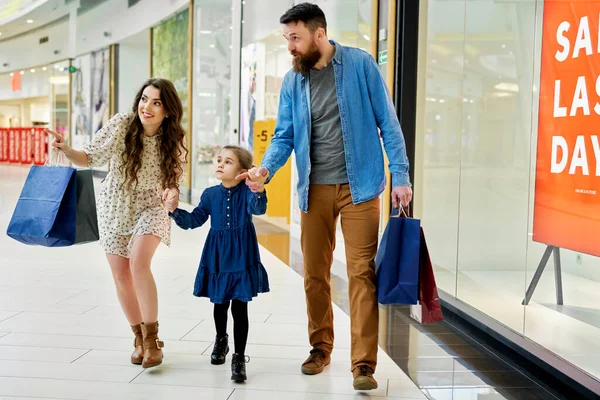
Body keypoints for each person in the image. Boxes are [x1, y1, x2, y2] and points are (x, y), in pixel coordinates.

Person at [238, 2, 413, 391]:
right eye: (287, 38)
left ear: (320, 34)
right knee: (315, 274)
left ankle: (364, 364)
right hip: (313, 189)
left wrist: (399, 174)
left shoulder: (360, 65)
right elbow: (284, 135)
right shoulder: (292, 81)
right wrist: (266, 170)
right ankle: (320, 347)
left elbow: (388, 121)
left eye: (296, 38)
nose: (290, 47)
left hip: (361, 187)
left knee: (360, 274)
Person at [46, 78, 187, 369]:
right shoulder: (122, 123)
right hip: (114, 203)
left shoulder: (174, 137)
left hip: (150, 205)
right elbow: (91, 156)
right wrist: (67, 149)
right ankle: (138, 338)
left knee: (138, 263)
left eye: (156, 102)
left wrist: (171, 195)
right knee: (121, 274)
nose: (147, 107)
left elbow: (174, 180)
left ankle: (152, 340)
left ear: (168, 111)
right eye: (144, 99)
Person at [165, 145, 270, 382]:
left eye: (228, 162)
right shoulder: (210, 194)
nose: (220, 165)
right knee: (220, 302)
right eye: (219, 160)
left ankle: (239, 357)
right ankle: (221, 339)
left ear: (243, 170)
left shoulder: (247, 192)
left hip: (242, 253)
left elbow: (258, 208)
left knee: (240, 306)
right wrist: (174, 211)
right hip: (218, 254)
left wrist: (258, 187)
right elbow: (194, 220)